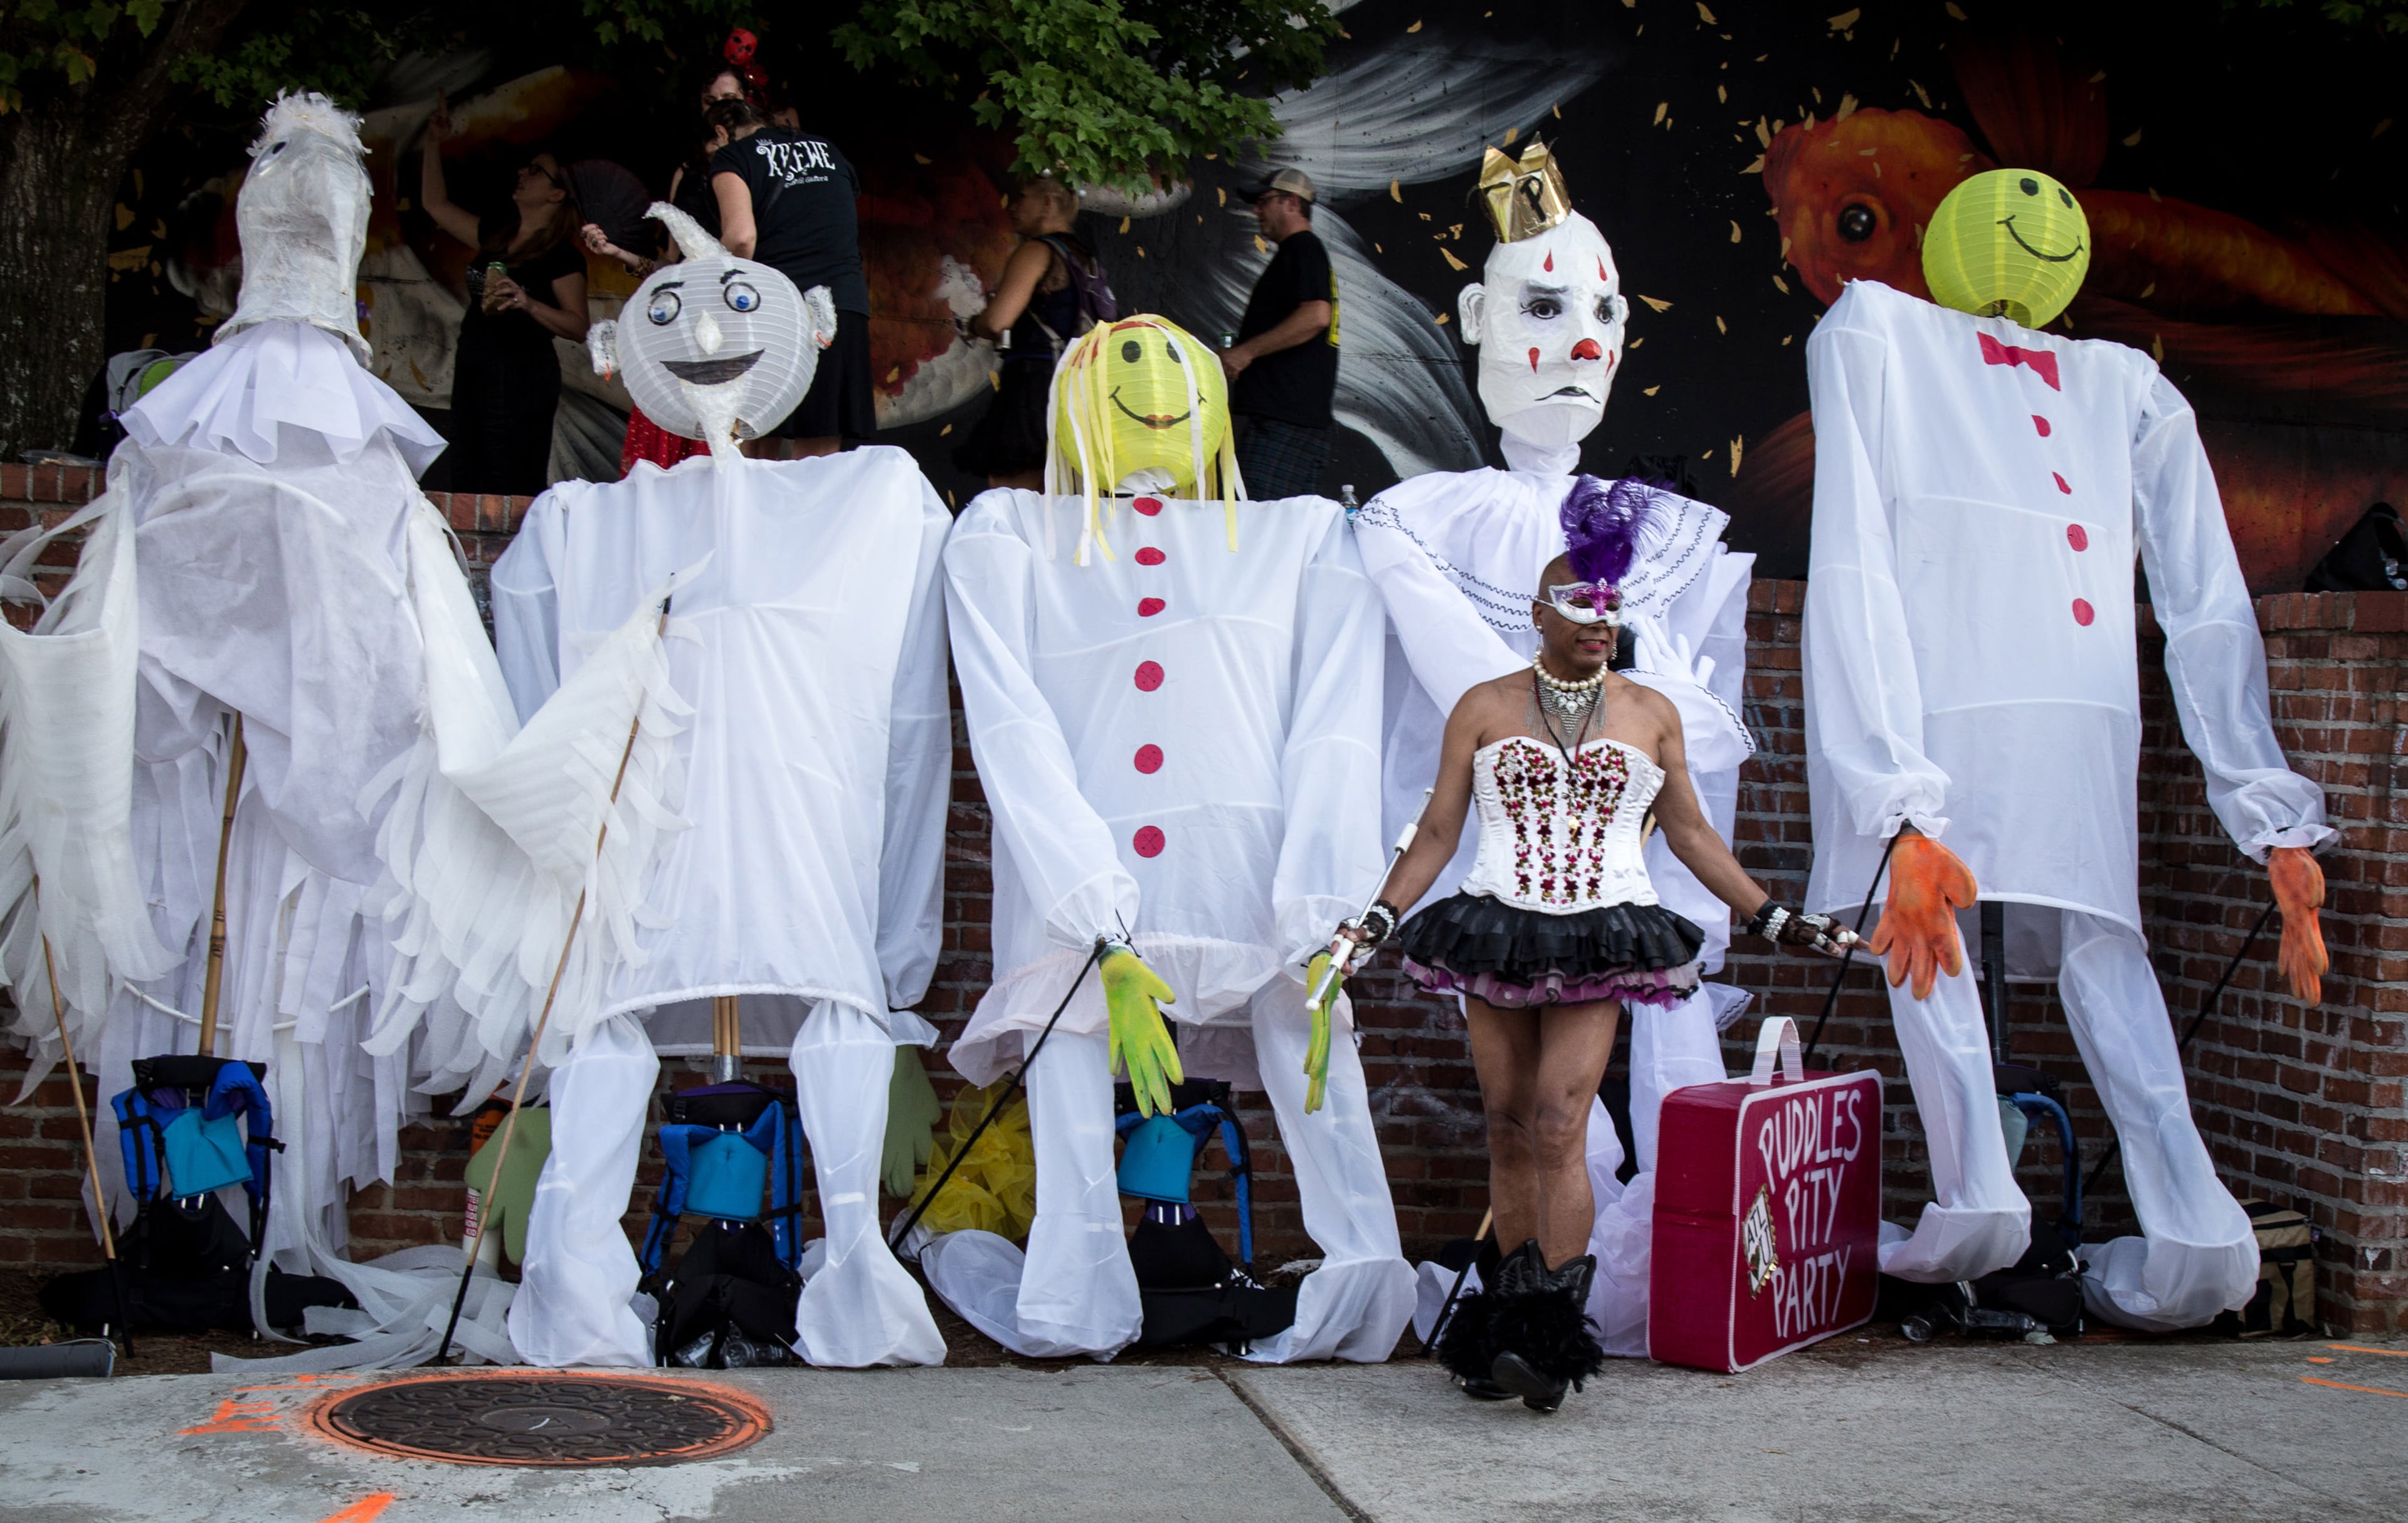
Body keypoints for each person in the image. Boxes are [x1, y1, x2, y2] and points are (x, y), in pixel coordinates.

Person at [1802, 168, 2331, 1329]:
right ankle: (2199, 1239)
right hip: (2082, 713)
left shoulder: (1876, 324)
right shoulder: (2126, 380)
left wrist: (1891, 788)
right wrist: (2265, 808)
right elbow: (2206, 599)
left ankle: (1980, 1194)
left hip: (1950, 692)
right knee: (2101, 947)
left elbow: (1854, 555)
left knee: (1930, 938)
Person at [922, 315, 1415, 1366]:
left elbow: (1335, 722)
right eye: (1122, 365)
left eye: (1176, 365)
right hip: (1077, 872)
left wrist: (1329, 918)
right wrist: (1096, 917)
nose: (1152, 382)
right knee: (1070, 1063)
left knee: (1311, 1054)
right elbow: (1010, 724)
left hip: (1248, 867)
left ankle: (1363, 1279)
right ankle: (1080, 1291)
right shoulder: (1012, 533)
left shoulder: (1299, 535)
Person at [1354, 142, 1755, 1361]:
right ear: (1479, 321)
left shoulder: (1664, 534)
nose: (1583, 341)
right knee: (1512, 1113)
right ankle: (1515, 1301)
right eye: (1545, 305)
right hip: (1496, 872)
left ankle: (1568, 1311)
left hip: (1613, 881)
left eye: (1603, 312)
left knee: (1566, 1110)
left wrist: (1713, 894)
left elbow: (1683, 745)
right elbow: (1472, 703)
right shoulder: (1417, 518)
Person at [1340, 482, 1854, 1413]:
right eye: (1579, 603)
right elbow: (1436, 836)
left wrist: (1781, 919)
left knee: (1558, 1118)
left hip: (1604, 928)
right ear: (1538, 613)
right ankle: (1504, 1325)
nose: (1599, 619)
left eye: (1611, 604)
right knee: (1504, 1121)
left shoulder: (1650, 712)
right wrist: (1369, 923)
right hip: (1496, 921)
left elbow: (1693, 836)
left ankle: (1549, 1336)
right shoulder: (1483, 707)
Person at [419, 101, 588, 495]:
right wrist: (431, 143)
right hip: (475, 366)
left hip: (521, 379)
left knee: (508, 481)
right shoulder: (498, 233)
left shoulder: (561, 256)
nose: (523, 174)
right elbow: (436, 206)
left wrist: (528, 303)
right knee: (466, 474)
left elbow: (579, 326)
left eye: (536, 172)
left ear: (557, 194)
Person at [712, 107, 874, 456]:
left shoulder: (733, 155)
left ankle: (756, 511)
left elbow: (741, 239)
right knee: (820, 440)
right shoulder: (827, 149)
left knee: (755, 433)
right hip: (841, 303)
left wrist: (715, 286)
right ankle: (813, 511)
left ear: (721, 134)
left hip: (776, 307)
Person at [954, 174, 1106, 490]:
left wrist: (974, 325)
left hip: (1035, 389)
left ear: (1048, 203)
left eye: (1022, 197)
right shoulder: (1085, 258)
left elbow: (997, 322)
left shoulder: (1036, 251)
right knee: (1060, 494)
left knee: (1011, 491)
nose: (1013, 207)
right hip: (1081, 389)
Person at [1223, 167, 1338, 499]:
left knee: (1256, 526)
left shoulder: (1303, 249)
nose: (1256, 211)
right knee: (1279, 530)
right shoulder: (1301, 252)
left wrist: (1245, 352)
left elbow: (1317, 315)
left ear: (1291, 203)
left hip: (1284, 424)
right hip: (1290, 422)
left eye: (1264, 202)